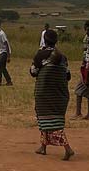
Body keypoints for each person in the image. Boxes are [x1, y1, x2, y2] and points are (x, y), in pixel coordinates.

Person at [30, 30, 75, 160]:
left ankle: (68, 148)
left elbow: (33, 72)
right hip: (60, 95)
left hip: (45, 94)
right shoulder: (63, 57)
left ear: (44, 39)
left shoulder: (41, 55)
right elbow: (68, 76)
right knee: (51, 120)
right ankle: (43, 146)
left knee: (50, 122)